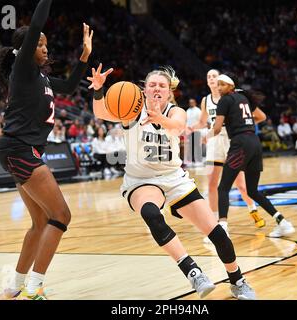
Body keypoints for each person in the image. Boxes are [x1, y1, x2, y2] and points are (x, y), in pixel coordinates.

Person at [89, 65, 256, 300]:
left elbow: (177, 127)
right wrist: (98, 90)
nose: (157, 88)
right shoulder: (131, 110)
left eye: (162, 86)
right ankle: (193, 271)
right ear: (143, 90)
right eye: (152, 85)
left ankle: (237, 279)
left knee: (217, 233)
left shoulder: (177, 112)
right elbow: (101, 112)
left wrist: (159, 118)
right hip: (141, 180)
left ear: (169, 92)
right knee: (151, 214)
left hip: (174, 178)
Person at [0, 0, 93, 300]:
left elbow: (71, 86)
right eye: (40, 44)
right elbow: (35, 26)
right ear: (26, 49)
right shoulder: (22, 70)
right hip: (19, 150)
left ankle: (14, 286)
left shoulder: (42, 78)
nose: (45, 48)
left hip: (20, 150)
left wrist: (84, 56)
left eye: (47, 44)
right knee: (61, 216)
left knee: (39, 223)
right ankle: (34, 286)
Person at [210, 74, 295, 238]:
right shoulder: (244, 98)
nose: (219, 88)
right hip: (254, 143)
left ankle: (222, 228)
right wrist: (243, 124)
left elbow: (218, 127)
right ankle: (283, 223)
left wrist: (201, 139)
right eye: (217, 85)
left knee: (223, 188)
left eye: (222, 85)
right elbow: (262, 117)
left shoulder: (225, 100)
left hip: (240, 144)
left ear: (231, 87)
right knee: (253, 191)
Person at [190, 69, 264, 243]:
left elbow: (257, 116)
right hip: (215, 141)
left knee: (241, 185)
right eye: (208, 76)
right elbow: (202, 122)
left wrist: (245, 125)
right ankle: (215, 225)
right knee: (212, 184)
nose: (211, 79)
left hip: (233, 140)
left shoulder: (234, 96)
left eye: (214, 76)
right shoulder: (206, 100)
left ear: (222, 80)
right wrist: (190, 129)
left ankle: (252, 208)